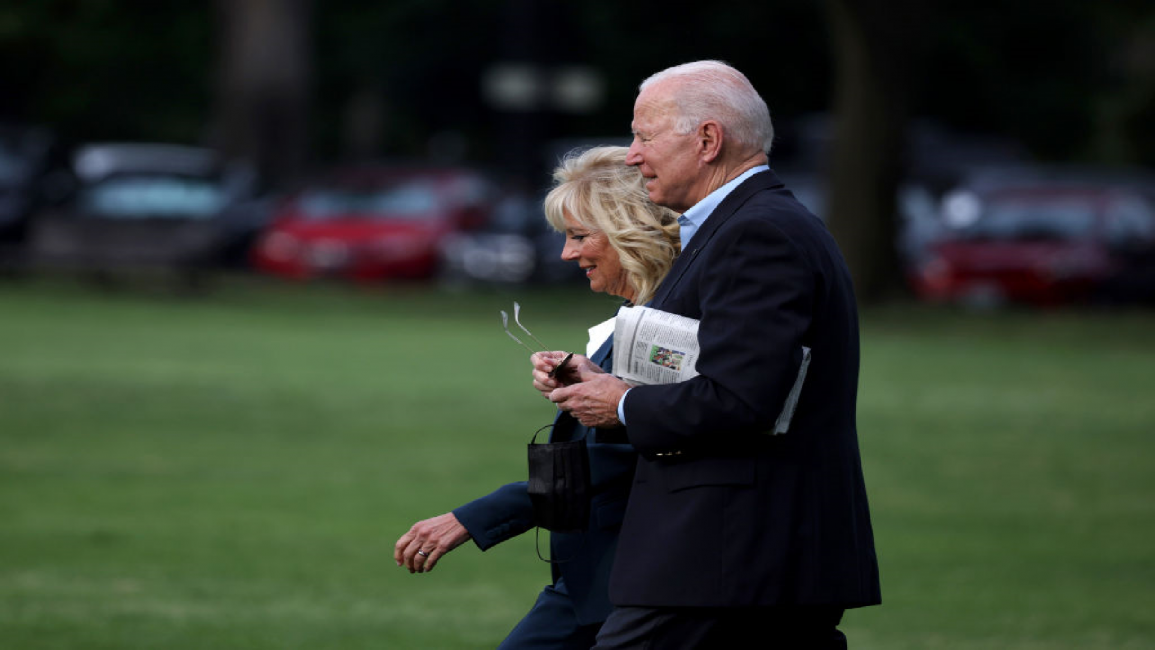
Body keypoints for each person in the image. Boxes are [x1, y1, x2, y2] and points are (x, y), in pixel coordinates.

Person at [535, 61, 882, 648]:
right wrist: (604, 381)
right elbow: (720, 376)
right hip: (742, 559)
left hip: (727, 557)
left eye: (645, 135)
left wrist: (620, 402)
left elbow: (742, 399)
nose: (631, 155)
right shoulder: (740, 226)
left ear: (707, 140)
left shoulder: (757, 233)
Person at [394, 145, 680, 649]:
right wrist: (583, 381)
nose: (568, 254)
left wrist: (473, 517)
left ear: (627, 231)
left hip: (636, 580)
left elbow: (619, 456)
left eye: (578, 236)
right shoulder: (635, 319)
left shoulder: (667, 324)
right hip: (590, 574)